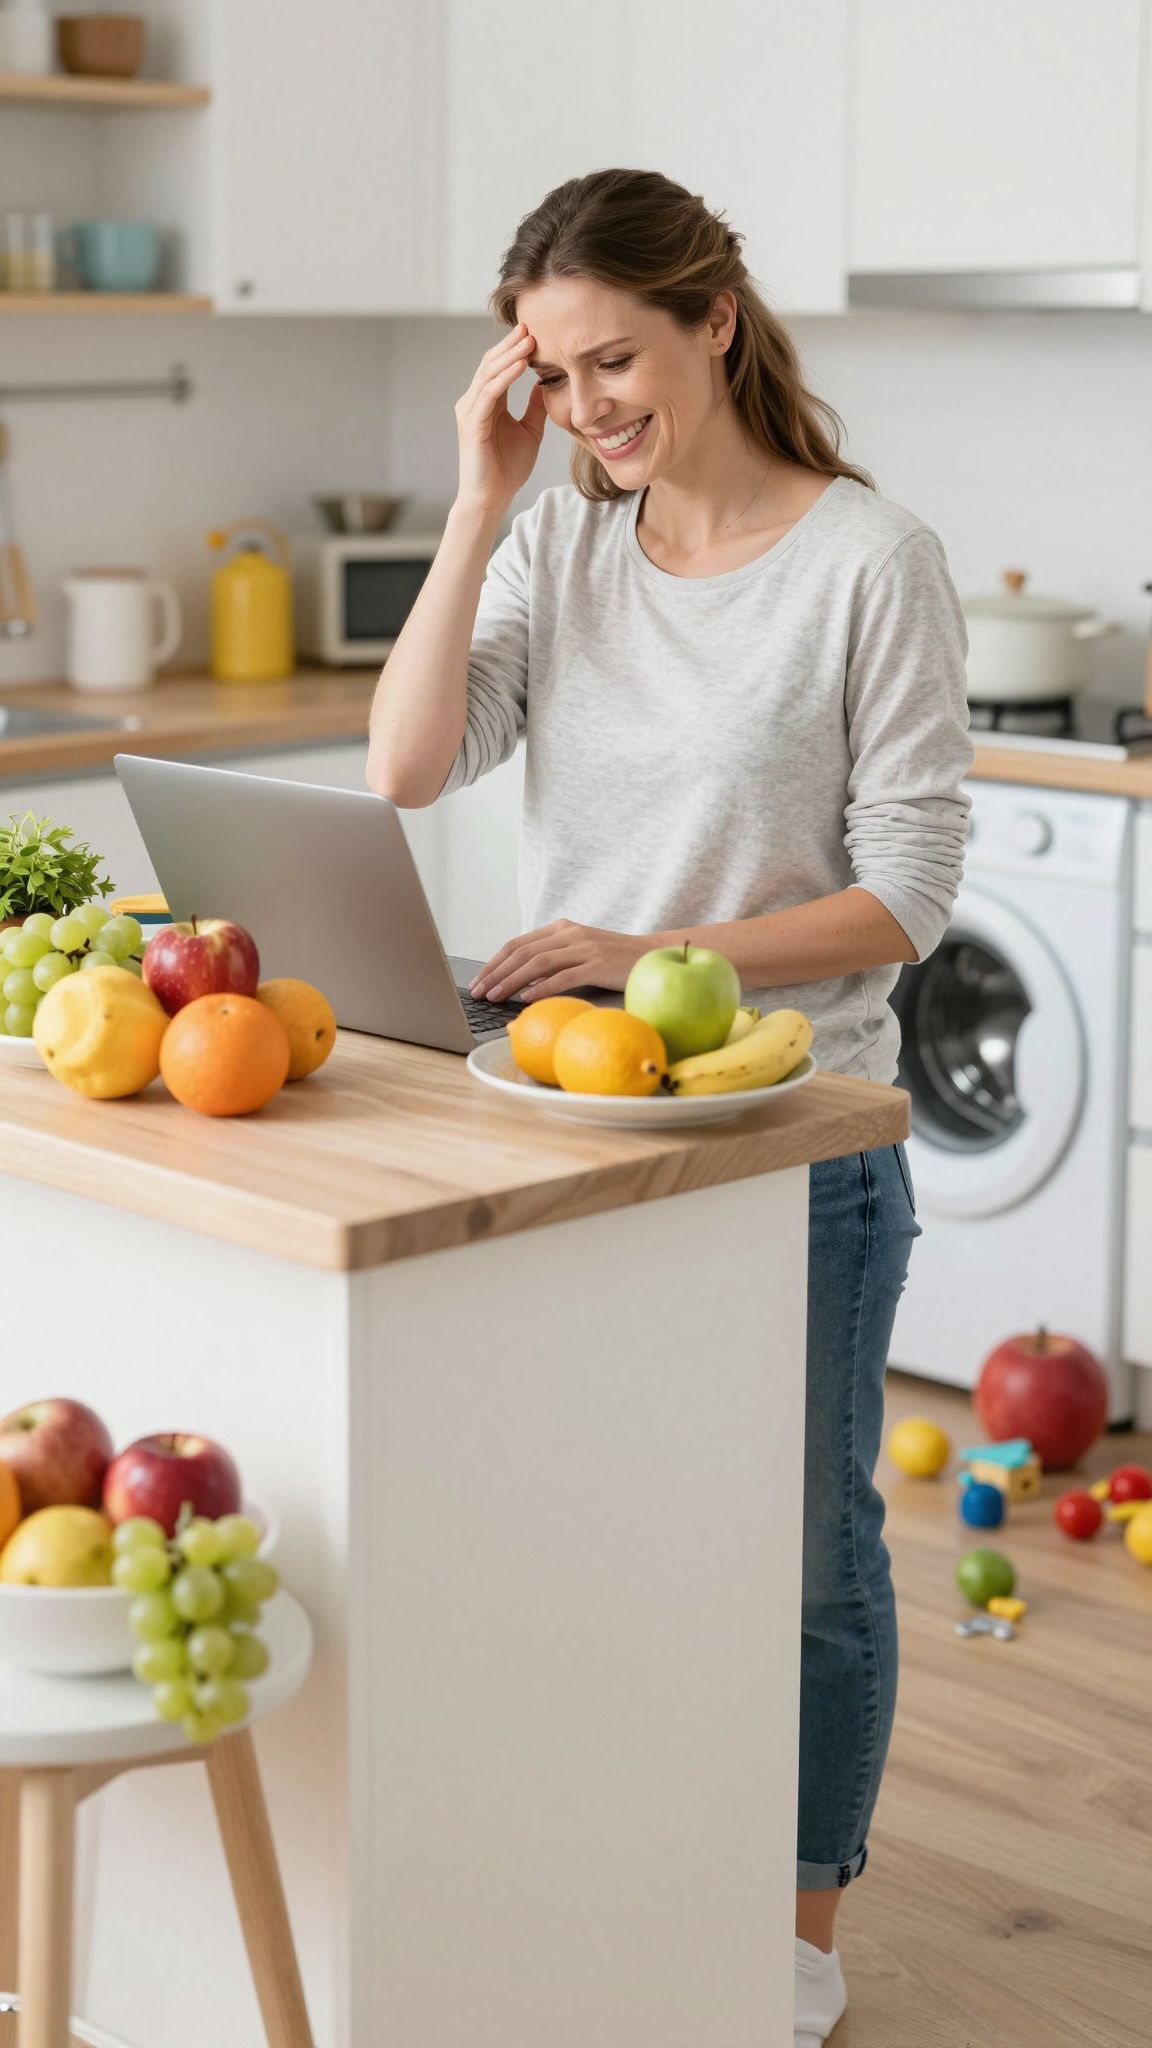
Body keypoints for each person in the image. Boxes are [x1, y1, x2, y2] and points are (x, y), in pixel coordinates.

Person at [367, 167, 973, 2047]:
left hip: (797, 1144)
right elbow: (403, 764)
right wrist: (481, 501)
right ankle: (620, 1872)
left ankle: (796, 1936)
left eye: (614, 355)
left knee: (802, 1562)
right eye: (552, 371)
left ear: (714, 319)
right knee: (597, 1538)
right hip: (571, 1137)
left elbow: (911, 892)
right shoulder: (560, 546)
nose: (590, 403)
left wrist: (649, 948)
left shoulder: (868, 559)